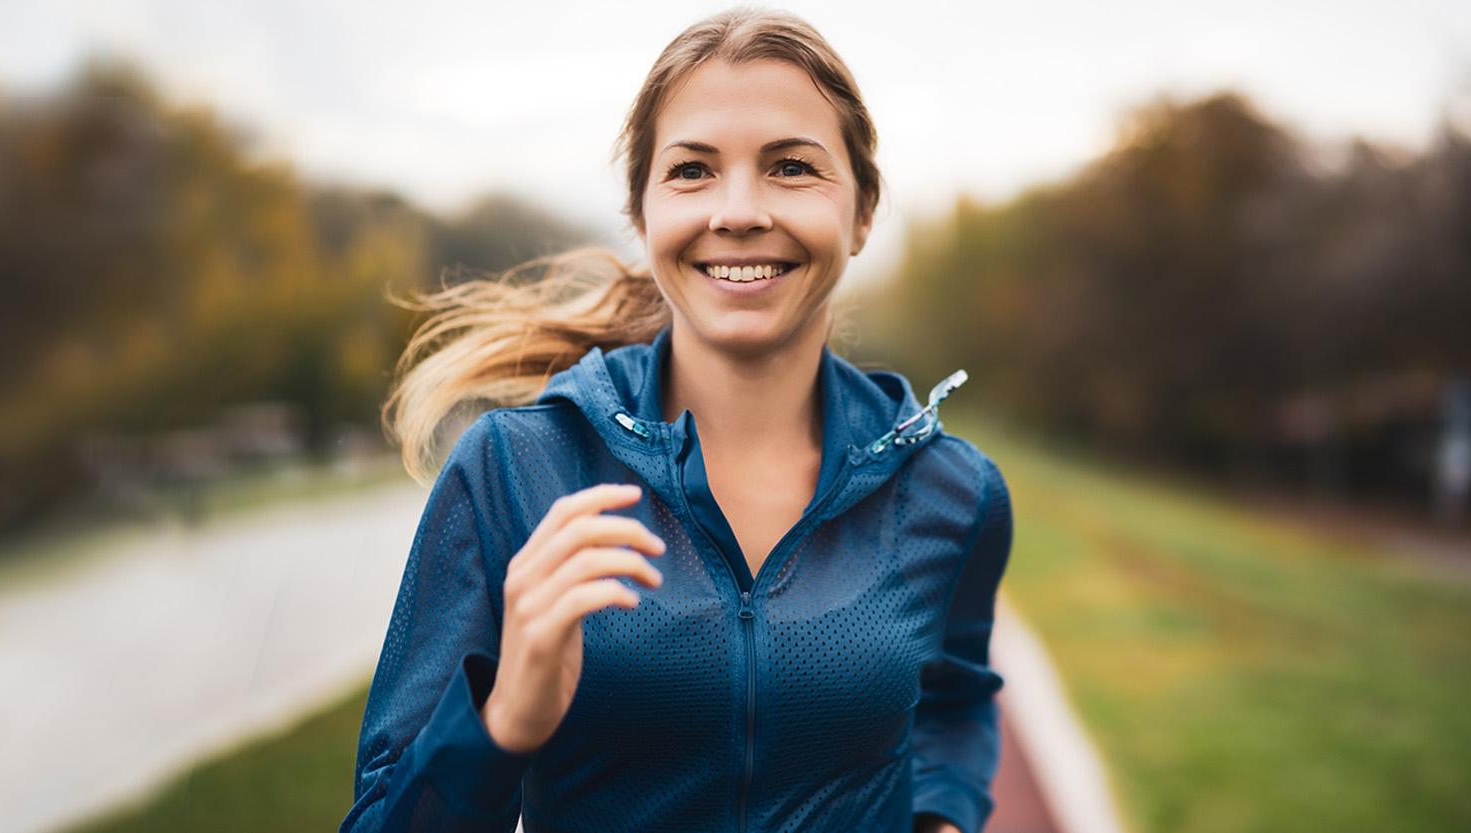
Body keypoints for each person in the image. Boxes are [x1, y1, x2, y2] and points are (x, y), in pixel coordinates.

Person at [340, 9, 1011, 833]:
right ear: (643, 213)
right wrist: (505, 719)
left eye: (792, 167)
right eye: (692, 171)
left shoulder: (954, 491)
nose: (737, 210)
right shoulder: (513, 471)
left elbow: (953, 701)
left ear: (863, 212)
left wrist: (943, 816)